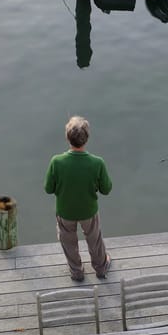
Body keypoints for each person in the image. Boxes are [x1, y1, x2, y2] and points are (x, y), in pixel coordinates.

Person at [44, 116, 112, 281]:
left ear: (67, 137)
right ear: (86, 138)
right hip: (88, 210)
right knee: (94, 239)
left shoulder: (56, 161)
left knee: (69, 243)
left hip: (65, 211)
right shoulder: (97, 163)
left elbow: (48, 189)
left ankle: (77, 272)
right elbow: (106, 189)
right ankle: (101, 268)